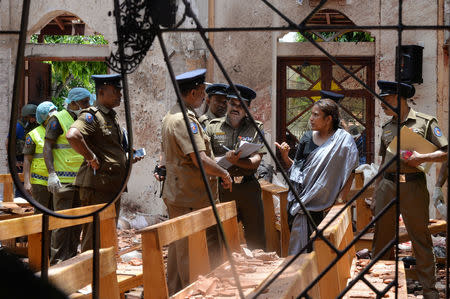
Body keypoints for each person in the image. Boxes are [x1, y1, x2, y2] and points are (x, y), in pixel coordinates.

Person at [372, 80, 447, 299]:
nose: (382, 104)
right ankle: (379, 288)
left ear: (400, 98)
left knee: (420, 239)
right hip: (387, 185)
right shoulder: (387, 127)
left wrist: (422, 158)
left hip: (413, 185)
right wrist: (377, 193)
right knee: (382, 238)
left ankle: (429, 291)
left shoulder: (426, 122)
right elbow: (381, 164)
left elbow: (445, 152)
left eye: (386, 99)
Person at [161, 68, 232, 294]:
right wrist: (224, 173)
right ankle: (187, 293)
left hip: (181, 193)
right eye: (202, 92)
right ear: (192, 93)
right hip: (189, 195)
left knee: (178, 249)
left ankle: (174, 291)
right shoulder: (184, 120)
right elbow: (200, 159)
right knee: (189, 253)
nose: (204, 97)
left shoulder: (173, 115)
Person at [276, 91, 358, 255]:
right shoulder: (307, 138)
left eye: (316, 115)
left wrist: (340, 200)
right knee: (302, 256)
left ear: (328, 119)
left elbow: (350, 171)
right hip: (301, 205)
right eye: (311, 115)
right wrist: (285, 157)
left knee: (324, 254)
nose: (311, 119)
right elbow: (296, 172)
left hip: (327, 207)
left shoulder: (343, 140)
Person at [66, 74, 136, 252]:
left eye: (120, 91)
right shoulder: (92, 115)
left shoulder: (111, 117)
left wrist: (127, 157)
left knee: (107, 235)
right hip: (97, 187)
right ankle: (90, 275)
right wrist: (91, 157)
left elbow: (111, 149)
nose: (120, 95)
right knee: (94, 237)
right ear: (101, 92)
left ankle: (104, 276)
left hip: (112, 186)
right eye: (116, 91)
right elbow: (73, 136)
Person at [206, 83, 267, 250]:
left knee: (256, 238)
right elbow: (206, 159)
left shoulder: (256, 128)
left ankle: (259, 274)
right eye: (233, 103)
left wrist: (236, 161)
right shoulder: (212, 126)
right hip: (222, 190)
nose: (236, 108)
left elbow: (256, 161)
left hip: (248, 189)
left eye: (242, 105)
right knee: (221, 239)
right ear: (227, 103)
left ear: (248, 107)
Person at [43, 88, 95, 263]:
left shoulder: (82, 120)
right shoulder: (57, 119)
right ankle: (57, 263)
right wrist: (51, 173)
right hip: (63, 181)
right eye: (85, 102)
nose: (88, 106)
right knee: (62, 224)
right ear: (73, 103)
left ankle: (71, 260)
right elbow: (47, 146)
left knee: (76, 224)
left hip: (80, 179)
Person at [23, 101, 57, 211]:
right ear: (44, 117)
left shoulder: (60, 131)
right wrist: (27, 182)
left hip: (57, 180)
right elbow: (27, 160)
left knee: (55, 215)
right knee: (40, 214)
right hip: (39, 183)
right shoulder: (33, 134)